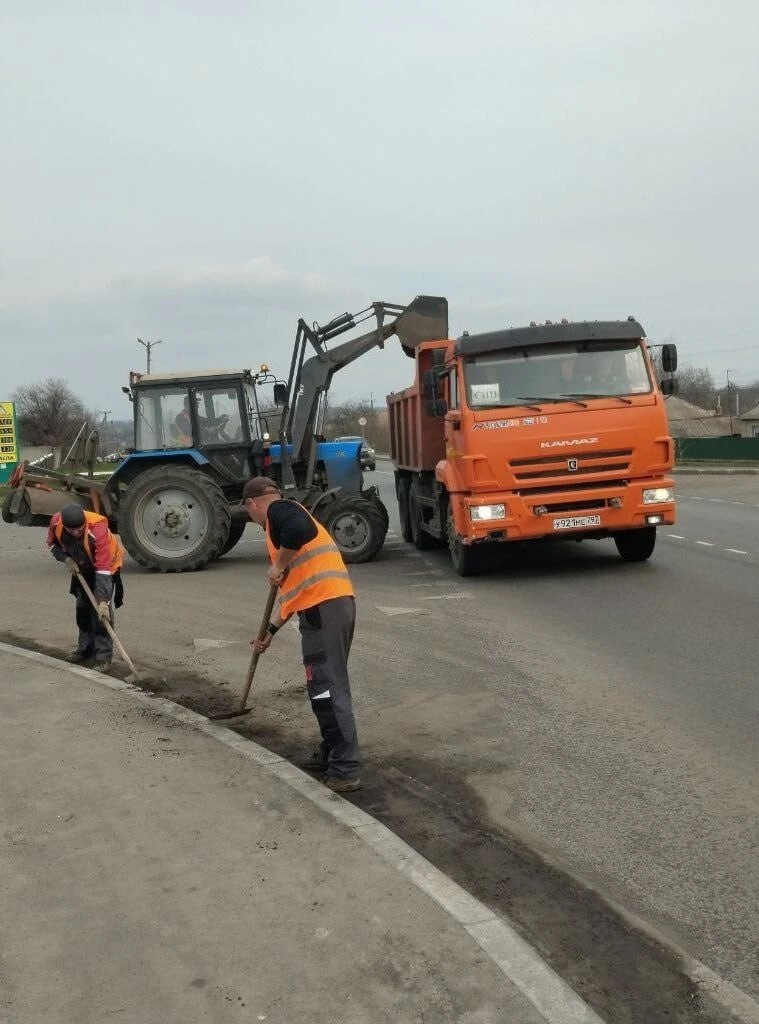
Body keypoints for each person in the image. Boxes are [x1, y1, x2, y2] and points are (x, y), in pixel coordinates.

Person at [243, 476, 361, 793]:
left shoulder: (281, 511)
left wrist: (278, 563)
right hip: (326, 606)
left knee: (326, 689)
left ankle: (345, 768)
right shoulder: (283, 520)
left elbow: (301, 530)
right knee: (324, 686)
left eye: (250, 513)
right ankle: (332, 751)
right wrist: (269, 632)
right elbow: (294, 593)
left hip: (326, 608)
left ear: (252, 504)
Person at [46, 504, 125, 672]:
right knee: (82, 609)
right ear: (64, 525)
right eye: (71, 530)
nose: (76, 533)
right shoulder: (56, 522)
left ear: (85, 523)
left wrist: (103, 601)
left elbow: (103, 567)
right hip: (81, 568)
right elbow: (52, 545)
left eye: (80, 529)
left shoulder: (98, 529)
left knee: (101, 615)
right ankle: (85, 649)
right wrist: (66, 559)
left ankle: (103, 658)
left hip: (107, 568)